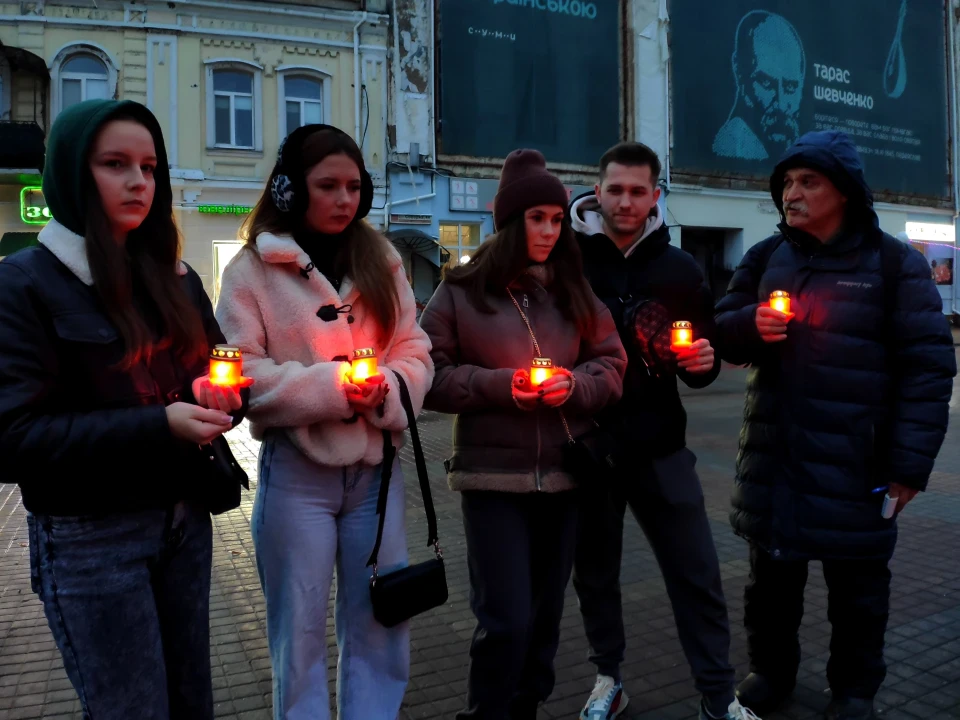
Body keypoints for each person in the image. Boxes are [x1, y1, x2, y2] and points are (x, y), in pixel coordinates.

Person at [0, 99, 249, 719]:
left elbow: (215, 370)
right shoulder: (25, 283)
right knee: (131, 709)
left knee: (193, 703)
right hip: (91, 537)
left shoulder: (176, 277)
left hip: (185, 522)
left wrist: (224, 397)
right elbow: (13, 438)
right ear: (70, 173)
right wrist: (158, 425)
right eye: (116, 164)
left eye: (150, 167)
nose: (140, 182)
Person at [715, 130, 957, 720]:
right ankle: (770, 673)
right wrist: (750, 324)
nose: (791, 195)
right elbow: (721, 325)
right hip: (775, 460)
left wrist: (908, 467)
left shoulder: (895, 264)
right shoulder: (767, 256)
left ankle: (853, 692)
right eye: (786, 183)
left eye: (807, 182)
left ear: (844, 192)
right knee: (769, 588)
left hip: (859, 465)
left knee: (859, 594)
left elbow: (928, 370)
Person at [215, 124, 434, 720]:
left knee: (381, 623)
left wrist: (389, 388)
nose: (345, 199)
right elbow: (243, 372)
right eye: (327, 185)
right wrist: (334, 389)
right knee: (299, 633)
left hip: (377, 478)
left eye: (354, 186)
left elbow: (415, 350)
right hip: (297, 477)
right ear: (289, 190)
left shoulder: (381, 258)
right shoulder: (251, 271)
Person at [419, 148, 627, 719]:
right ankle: (486, 712)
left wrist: (576, 387)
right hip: (493, 479)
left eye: (557, 219)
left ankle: (526, 708)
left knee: (543, 616)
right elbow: (427, 375)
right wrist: (500, 386)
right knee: (505, 616)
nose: (549, 231)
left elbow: (611, 363)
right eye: (537, 218)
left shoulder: (574, 290)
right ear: (509, 222)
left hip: (565, 476)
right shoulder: (461, 291)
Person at [569, 142, 757, 720]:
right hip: (588, 446)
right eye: (616, 189)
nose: (626, 202)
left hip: (660, 446)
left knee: (696, 572)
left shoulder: (679, 269)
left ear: (655, 196)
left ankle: (719, 696)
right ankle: (609, 679)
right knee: (595, 575)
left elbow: (698, 360)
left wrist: (702, 366)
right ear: (597, 192)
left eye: (638, 190)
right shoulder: (566, 260)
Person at [713, 10, 805, 161]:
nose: (781, 105)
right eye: (766, 83)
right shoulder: (730, 148)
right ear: (739, 71)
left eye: (790, 87)